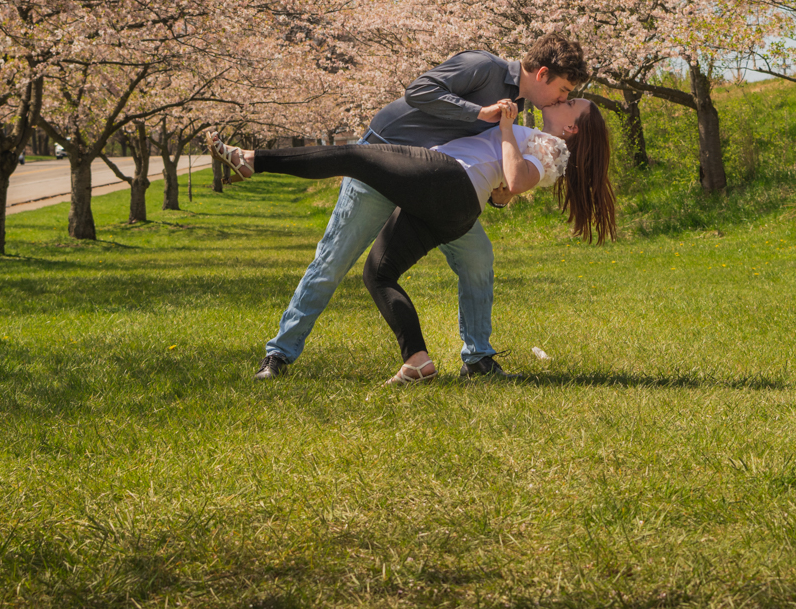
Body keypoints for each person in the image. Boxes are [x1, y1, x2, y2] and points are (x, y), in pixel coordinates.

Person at [249, 33, 590, 381]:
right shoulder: (483, 66)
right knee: (333, 261)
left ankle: (478, 360)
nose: (562, 98)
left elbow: (482, 157)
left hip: (434, 182)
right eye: (562, 89)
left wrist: (497, 196)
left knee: (478, 259)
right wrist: (479, 111)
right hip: (382, 161)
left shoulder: (523, 108)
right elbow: (419, 91)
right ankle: (279, 354)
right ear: (543, 73)